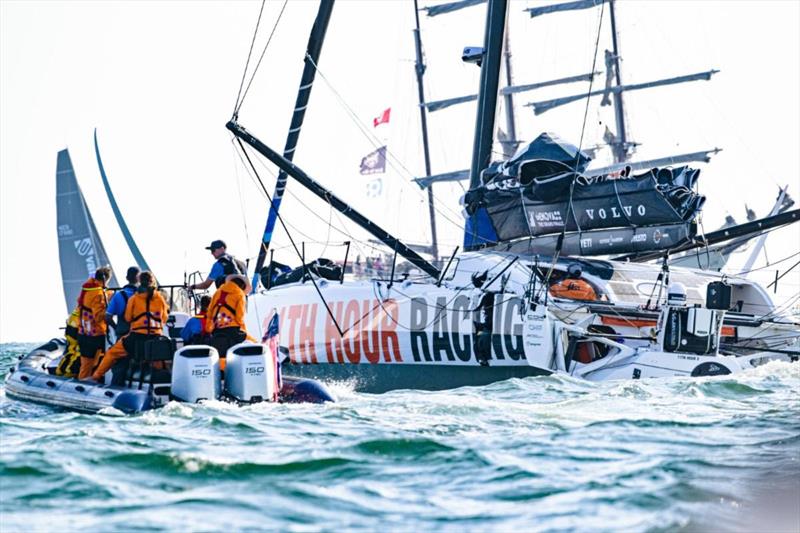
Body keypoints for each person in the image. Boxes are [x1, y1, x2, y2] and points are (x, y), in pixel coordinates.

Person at [91, 271, 170, 383]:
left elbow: (128, 318)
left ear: (140, 281)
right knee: (157, 359)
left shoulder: (134, 298)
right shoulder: (160, 299)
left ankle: (96, 377)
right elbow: (164, 318)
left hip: (135, 338)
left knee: (112, 354)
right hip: (155, 338)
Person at [205, 274, 255, 367]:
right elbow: (239, 317)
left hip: (217, 331)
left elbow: (210, 313)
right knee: (254, 345)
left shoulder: (217, 292)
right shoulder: (239, 294)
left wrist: (209, 329)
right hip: (233, 331)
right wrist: (243, 330)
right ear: (242, 286)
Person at [77, 266, 112, 380]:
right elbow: (98, 316)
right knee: (93, 363)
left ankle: (83, 382)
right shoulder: (98, 294)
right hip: (95, 334)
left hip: (83, 332)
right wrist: (110, 309)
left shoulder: (87, 289)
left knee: (85, 364)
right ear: (105, 279)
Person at [105, 266, 140, 340]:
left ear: (127, 278)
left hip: (123, 336)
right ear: (139, 279)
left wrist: (116, 328)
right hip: (140, 336)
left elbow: (108, 317)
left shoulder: (118, 295)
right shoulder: (143, 295)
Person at [55, 307, 82, 377]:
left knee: (71, 351)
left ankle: (61, 371)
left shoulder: (83, 302)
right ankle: (70, 372)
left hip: (72, 325)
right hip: (78, 327)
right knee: (79, 352)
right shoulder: (100, 298)